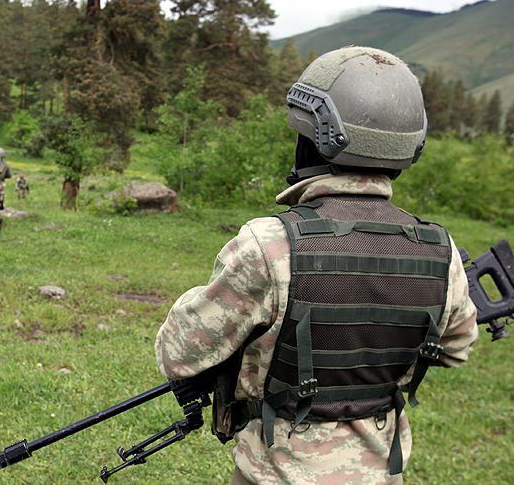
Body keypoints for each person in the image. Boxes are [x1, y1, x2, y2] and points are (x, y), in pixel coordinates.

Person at [154, 46, 479, 484]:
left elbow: (180, 353)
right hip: (382, 472)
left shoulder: (269, 244)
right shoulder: (441, 251)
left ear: (314, 139)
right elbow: (456, 348)